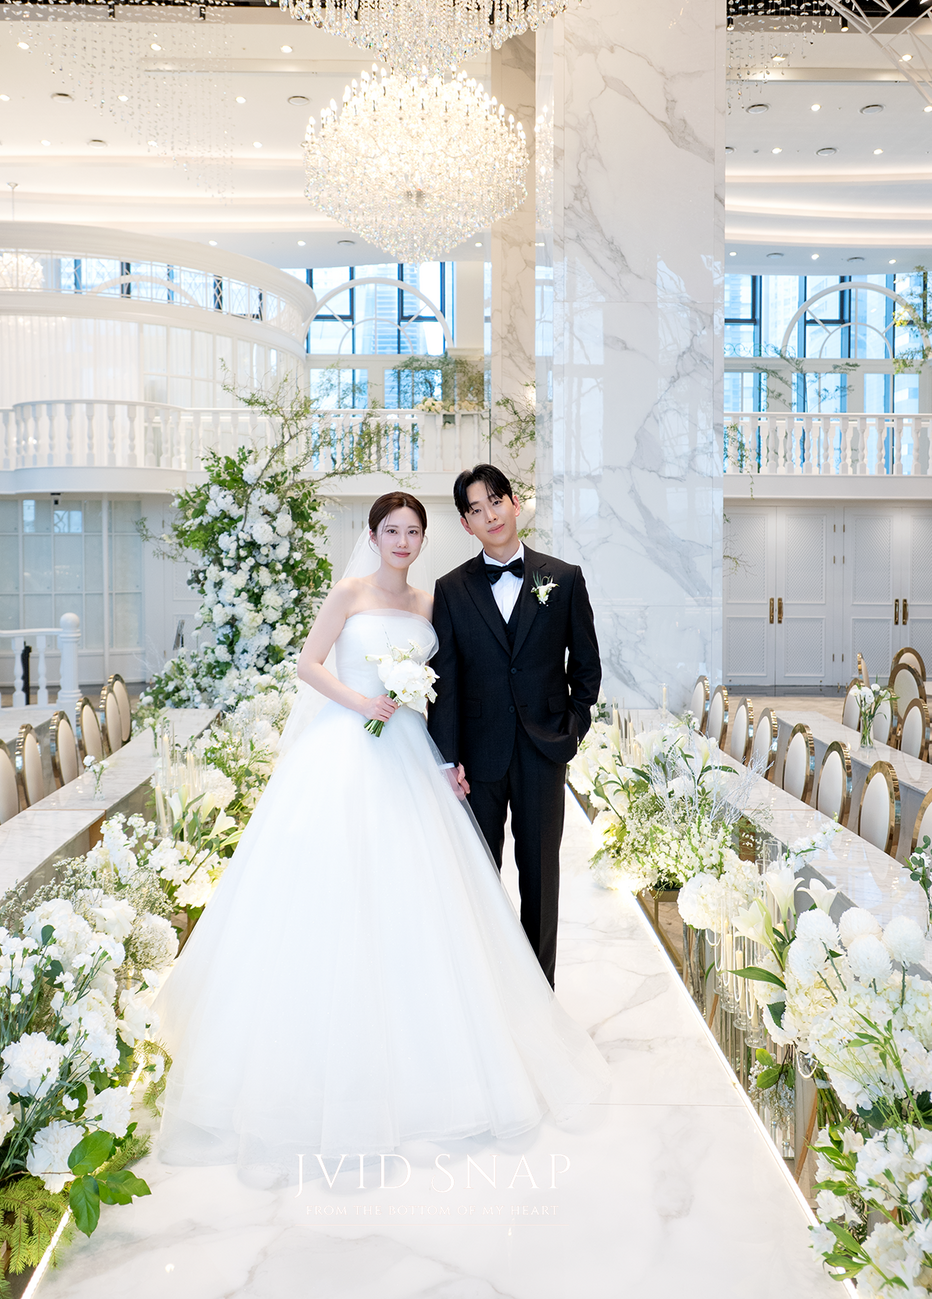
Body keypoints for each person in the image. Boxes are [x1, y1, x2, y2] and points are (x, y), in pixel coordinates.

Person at [156, 490, 605, 1175]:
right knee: (333, 890)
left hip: (411, 751)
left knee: (427, 895)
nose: (402, 540)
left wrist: (445, 749)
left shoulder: (433, 602)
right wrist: (361, 699)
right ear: (372, 536)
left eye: (412, 530)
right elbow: (308, 664)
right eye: (391, 530)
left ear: (427, 537)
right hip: (346, 746)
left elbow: (451, 678)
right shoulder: (349, 593)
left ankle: (469, 1031)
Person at [427, 465, 602, 988]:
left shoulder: (562, 577)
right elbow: (445, 682)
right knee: (479, 875)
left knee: (541, 876)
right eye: (476, 510)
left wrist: (570, 730)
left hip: (544, 751)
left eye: (496, 501)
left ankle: (539, 994)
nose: (490, 515)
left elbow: (586, 669)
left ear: (515, 503)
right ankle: (486, 990)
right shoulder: (450, 589)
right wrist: (447, 758)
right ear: (465, 524)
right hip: (477, 758)